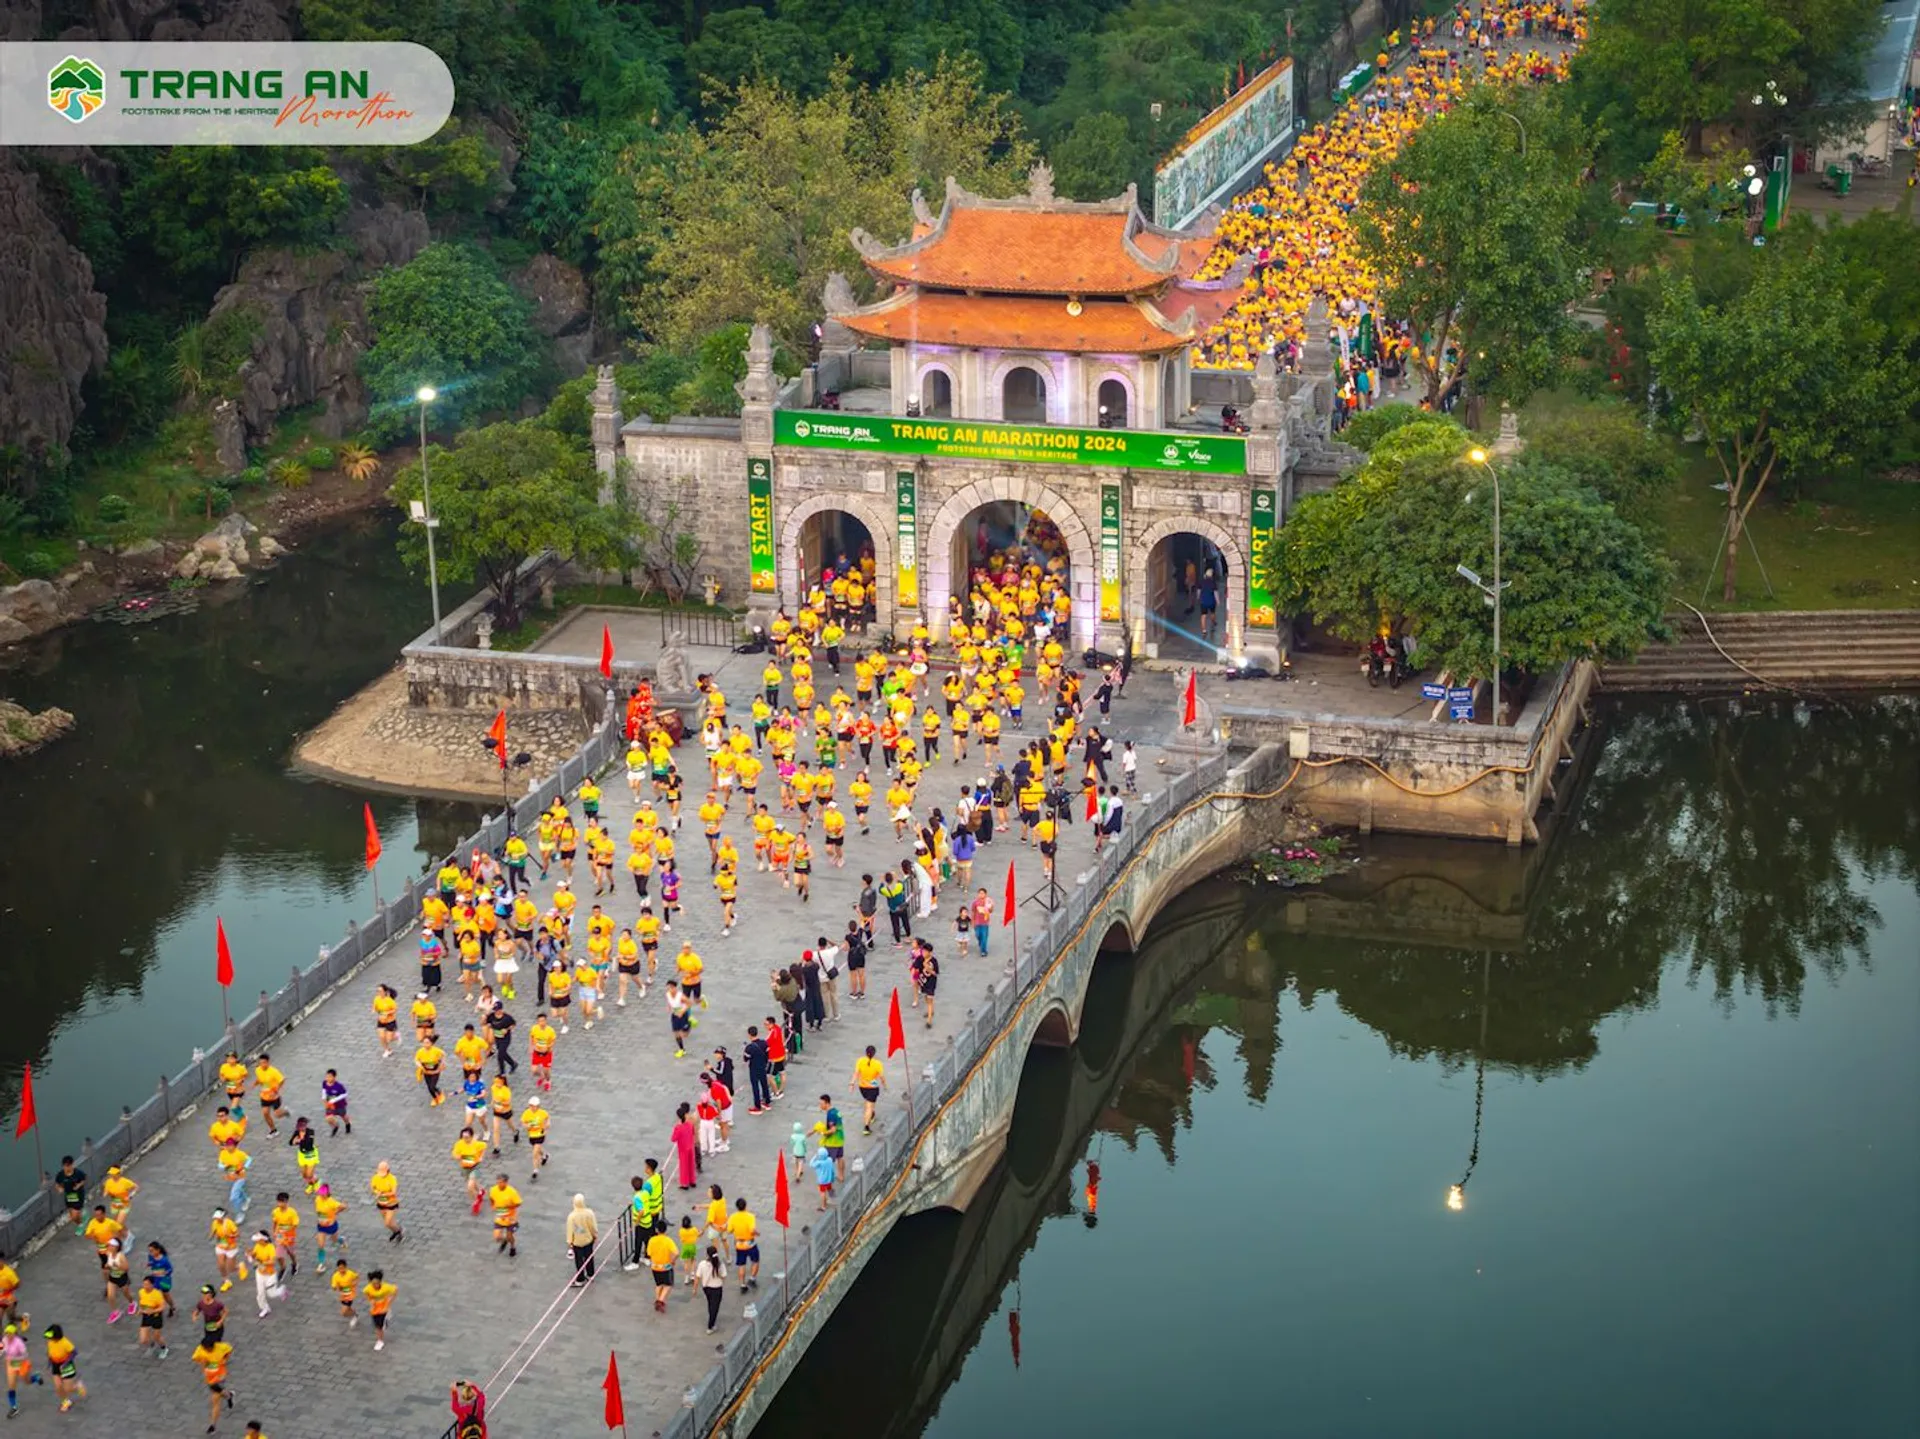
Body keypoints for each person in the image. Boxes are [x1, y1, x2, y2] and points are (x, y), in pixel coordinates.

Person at [42, 1325, 83, 1415]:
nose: (50, 1339)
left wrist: (65, 1363)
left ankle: (77, 1387)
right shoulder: (50, 1341)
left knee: (67, 1389)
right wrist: (49, 1362)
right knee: (58, 1386)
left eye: (52, 1337)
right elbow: (50, 1351)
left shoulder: (65, 1342)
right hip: (55, 1365)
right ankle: (65, 1401)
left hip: (66, 1366)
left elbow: (74, 1352)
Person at [727, 1197, 760, 1292]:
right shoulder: (750, 1216)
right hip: (750, 1243)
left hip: (739, 1244)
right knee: (755, 1261)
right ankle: (752, 1278)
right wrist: (757, 1233)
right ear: (745, 1206)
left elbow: (729, 1230)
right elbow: (752, 1230)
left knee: (741, 1264)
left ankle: (742, 1284)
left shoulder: (732, 1217)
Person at [565, 1195, 598, 1287]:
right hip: (588, 1239)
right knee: (589, 1257)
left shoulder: (572, 1216)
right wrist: (595, 1235)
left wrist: (570, 1241)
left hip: (577, 1241)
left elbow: (570, 1229)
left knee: (579, 1260)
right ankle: (591, 1274)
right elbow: (593, 1226)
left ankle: (580, 1279)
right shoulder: (589, 1213)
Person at [696, 1245, 728, 1334]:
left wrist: (695, 1289)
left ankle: (711, 1317)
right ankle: (710, 1325)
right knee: (715, 1306)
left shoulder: (702, 1264)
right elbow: (724, 1276)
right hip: (717, 1288)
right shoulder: (720, 1264)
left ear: (707, 1255)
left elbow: (698, 1277)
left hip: (706, 1288)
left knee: (710, 1303)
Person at [646, 1226, 678, 1313]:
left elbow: (649, 1253)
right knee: (668, 1285)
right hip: (665, 1267)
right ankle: (660, 1301)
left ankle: (658, 1300)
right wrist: (672, 1261)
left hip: (655, 1266)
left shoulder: (652, 1240)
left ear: (657, 1230)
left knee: (659, 1285)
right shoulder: (668, 1240)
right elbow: (676, 1253)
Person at [853, 1045, 885, 1134]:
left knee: (869, 1103)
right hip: (872, 1087)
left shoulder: (860, 1061)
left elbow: (856, 1073)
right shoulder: (877, 1063)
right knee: (869, 1106)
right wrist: (884, 1085)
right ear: (874, 1054)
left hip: (862, 1087)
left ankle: (872, 1114)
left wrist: (852, 1083)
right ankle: (866, 1127)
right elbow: (882, 1077)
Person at [364, 1269, 396, 1352]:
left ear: (380, 1282)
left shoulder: (386, 1287)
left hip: (384, 1308)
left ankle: (380, 1340)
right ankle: (380, 1338)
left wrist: (389, 1301)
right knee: (377, 1325)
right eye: (373, 1283)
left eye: (377, 1283)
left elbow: (395, 1290)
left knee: (379, 1325)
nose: (375, 1285)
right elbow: (367, 1294)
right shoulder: (368, 1288)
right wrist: (371, 1301)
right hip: (375, 1308)